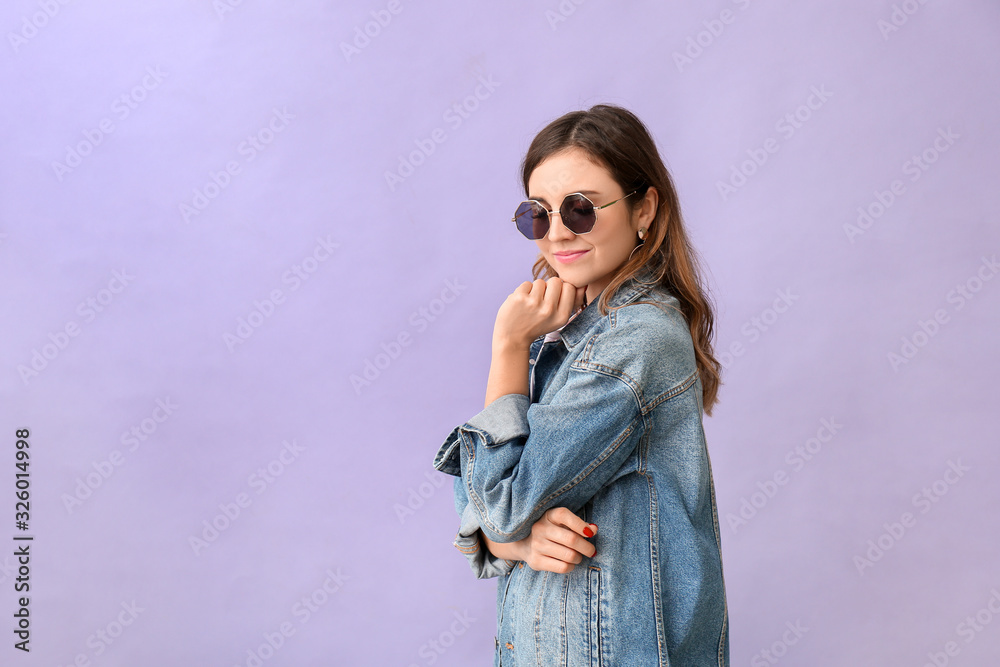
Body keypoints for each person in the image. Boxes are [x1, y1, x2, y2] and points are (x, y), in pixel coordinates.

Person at [432, 104, 729, 666]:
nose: (558, 232)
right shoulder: (577, 334)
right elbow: (496, 493)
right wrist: (507, 537)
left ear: (644, 207)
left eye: (582, 209)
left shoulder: (633, 341)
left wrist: (507, 347)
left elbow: (502, 501)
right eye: (538, 215)